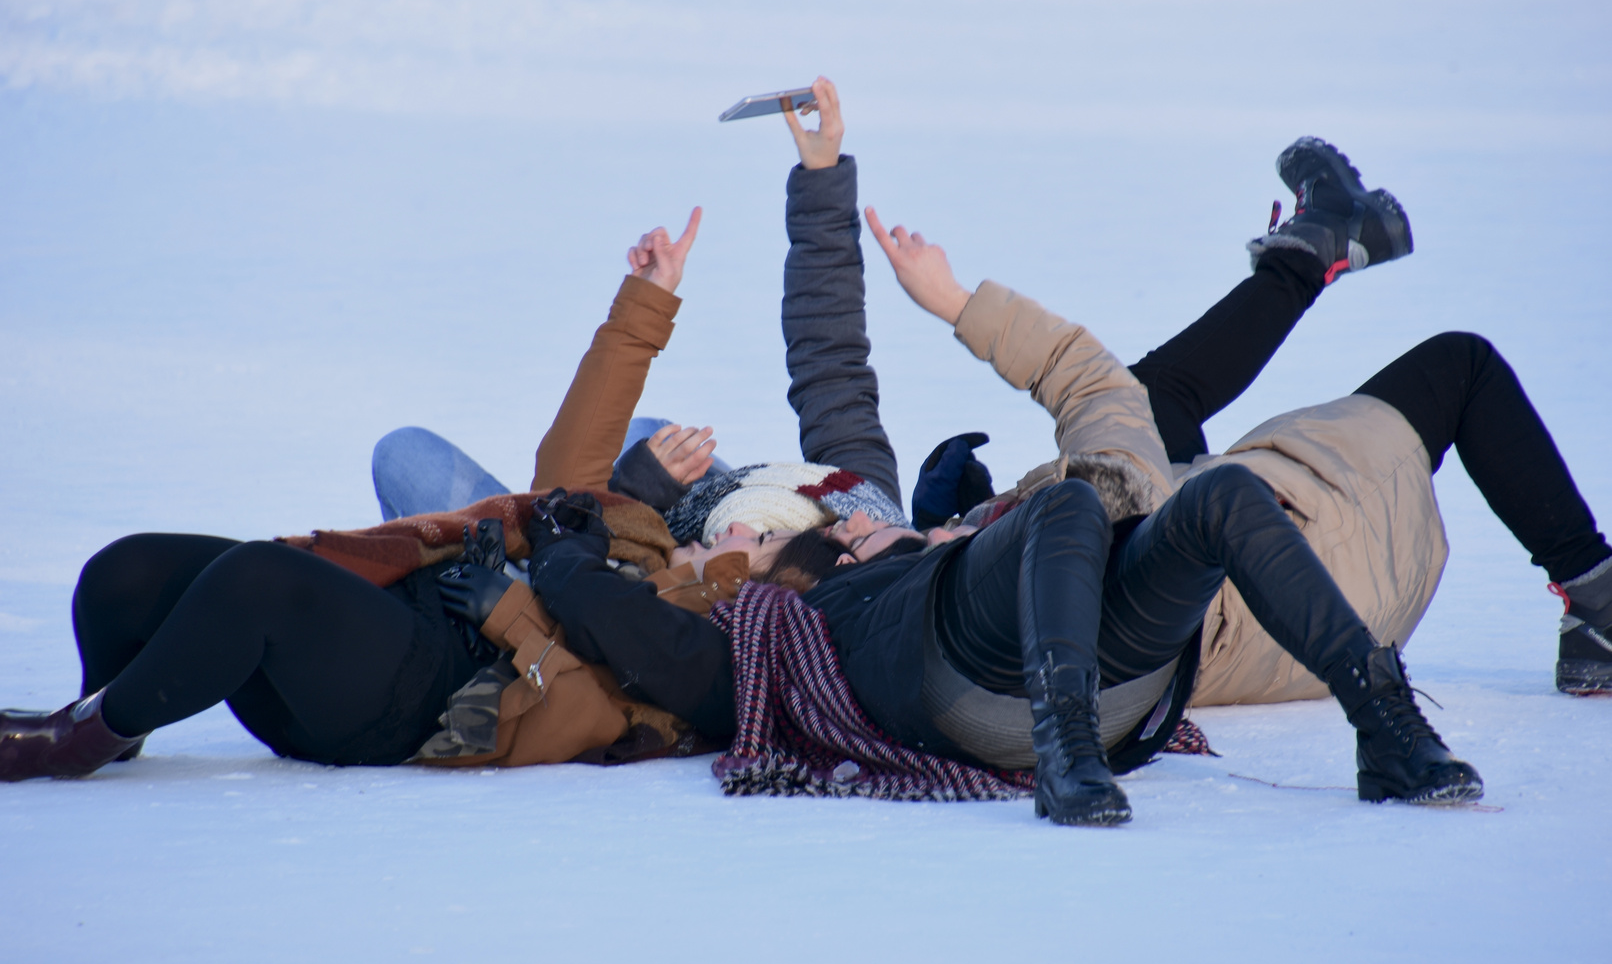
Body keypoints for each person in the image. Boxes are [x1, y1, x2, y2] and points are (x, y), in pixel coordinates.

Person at [495, 79, 1483, 826]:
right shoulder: (721, 602)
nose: (737, 515)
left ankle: (1389, 731)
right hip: (953, 674)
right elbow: (565, 513)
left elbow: (829, 360)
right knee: (1073, 499)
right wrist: (632, 491)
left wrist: (822, 176)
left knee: (1210, 495)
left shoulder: (855, 501)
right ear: (684, 526)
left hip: (1104, 675)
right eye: (712, 516)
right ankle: (1063, 757)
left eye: (727, 490)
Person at [871, 136, 1612, 702]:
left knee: (1155, 400)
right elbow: (1091, 389)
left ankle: (1316, 242)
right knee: (1461, 367)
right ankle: (1600, 602)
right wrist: (956, 304)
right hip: (1322, 577)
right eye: (848, 532)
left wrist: (959, 515)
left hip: (1241, 615)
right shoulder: (1069, 543)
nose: (847, 520)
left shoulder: (932, 620)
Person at [0, 210, 717, 783]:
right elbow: (566, 479)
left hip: (434, 695)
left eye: (760, 537)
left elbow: (585, 706)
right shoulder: (661, 540)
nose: (739, 532)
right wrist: (645, 305)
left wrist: (514, 613)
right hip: (400, 617)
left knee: (256, 581)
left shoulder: (717, 630)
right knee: (127, 574)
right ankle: (117, 711)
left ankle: (76, 744)